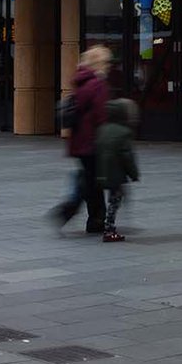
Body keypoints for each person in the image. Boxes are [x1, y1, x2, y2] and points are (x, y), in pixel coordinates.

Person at [49, 45, 110, 234]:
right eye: (107, 61)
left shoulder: (82, 81)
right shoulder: (97, 84)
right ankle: (69, 211)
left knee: (92, 181)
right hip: (92, 142)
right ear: (99, 63)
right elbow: (101, 116)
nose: (109, 65)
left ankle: (96, 219)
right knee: (91, 182)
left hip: (80, 142)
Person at [95, 99, 139, 242]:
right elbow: (127, 156)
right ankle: (109, 229)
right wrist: (134, 174)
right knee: (115, 200)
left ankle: (107, 225)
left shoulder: (102, 129)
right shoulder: (124, 132)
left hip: (102, 171)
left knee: (111, 199)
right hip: (116, 173)